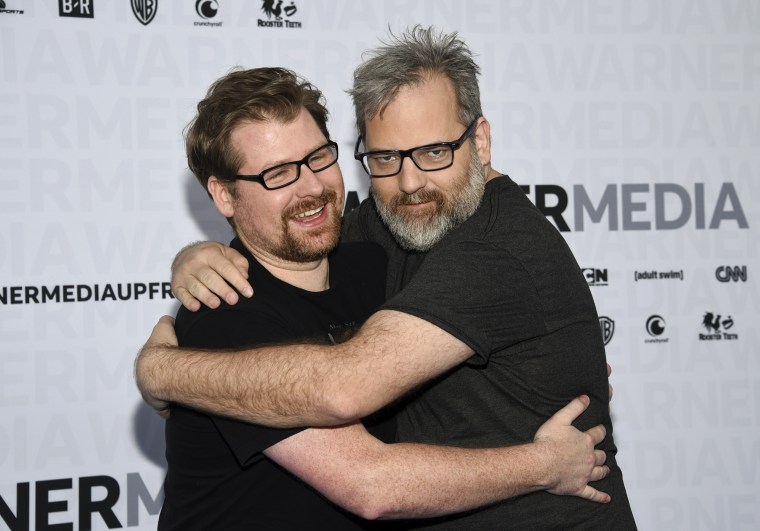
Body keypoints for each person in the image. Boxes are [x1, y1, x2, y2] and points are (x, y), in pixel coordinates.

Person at [137, 27, 637, 529]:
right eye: (385, 158)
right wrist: (192, 256)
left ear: (479, 141)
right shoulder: (362, 243)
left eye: (435, 151)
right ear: (224, 196)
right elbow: (369, 479)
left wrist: (162, 370)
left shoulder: (483, 249)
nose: (411, 180)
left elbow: (348, 395)